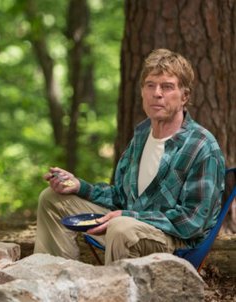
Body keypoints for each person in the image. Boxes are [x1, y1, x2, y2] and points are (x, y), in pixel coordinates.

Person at [34, 48, 225, 264]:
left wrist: (129, 216)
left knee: (121, 227)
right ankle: (55, 282)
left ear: (185, 96)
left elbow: (193, 221)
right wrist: (80, 186)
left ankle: (115, 293)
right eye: (150, 85)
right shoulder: (141, 137)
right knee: (51, 199)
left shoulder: (201, 146)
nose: (157, 93)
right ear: (142, 92)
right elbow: (120, 197)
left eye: (167, 86)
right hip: (127, 226)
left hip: (174, 241)